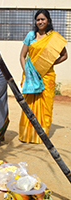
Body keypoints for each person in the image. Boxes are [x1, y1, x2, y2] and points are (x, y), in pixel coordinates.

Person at [19, 9, 68, 143]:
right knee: (29, 105)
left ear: (48, 20)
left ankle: (41, 135)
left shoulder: (54, 37)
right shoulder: (31, 35)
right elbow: (22, 56)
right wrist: (27, 73)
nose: (40, 22)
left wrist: (51, 63)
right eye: (38, 19)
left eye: (43, 19)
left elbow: (65, 56)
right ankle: (27, 135)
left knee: (45, 106)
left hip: (47, 76)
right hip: (31, 78)